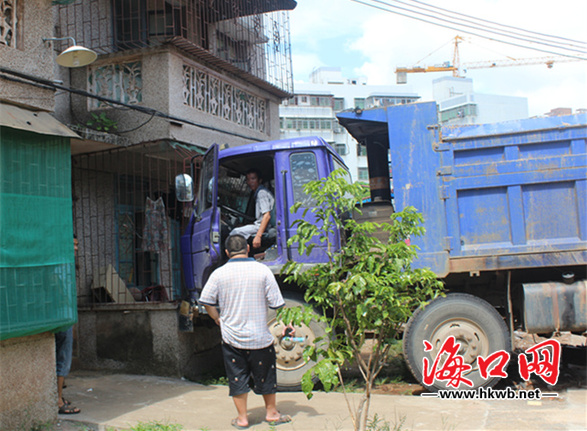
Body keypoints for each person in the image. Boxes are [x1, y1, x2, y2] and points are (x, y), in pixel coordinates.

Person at [199, 234, 291, 429]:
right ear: (248, 249)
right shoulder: (263, 271)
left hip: (232, 339)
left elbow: (206, 300)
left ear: (226, 252)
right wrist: (285, 325)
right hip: (260, 339)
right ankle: (272, 413)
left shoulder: (219, 274)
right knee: (266, 375)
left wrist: (217, 318)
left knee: (237, 377)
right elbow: (277, 304)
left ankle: (242, 419)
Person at [55, 235, 80, 414]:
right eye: (73, 245)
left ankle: (56, 396)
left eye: (77, 245)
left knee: (61, 358)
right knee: (63, 359)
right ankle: (57, 400)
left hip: (64, 315)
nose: (76, 249)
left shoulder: (66, 266)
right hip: (61, 316)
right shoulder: (61, 267)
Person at [229, 168, 274, 250]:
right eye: (248, 180)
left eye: (253, 179)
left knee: (234, 233)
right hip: (259, 225)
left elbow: (267, 216)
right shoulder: (258, 193)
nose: (250, 182)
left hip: (264, 227)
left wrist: (258, 236)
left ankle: (238, 256)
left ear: (260, 180)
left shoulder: (262, 193)